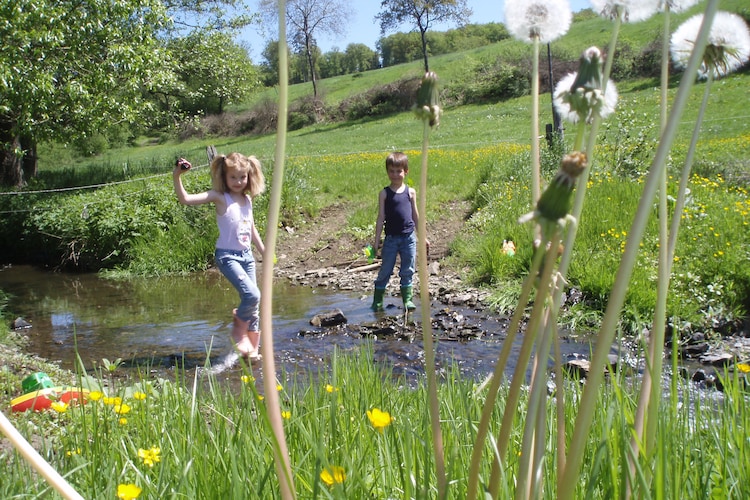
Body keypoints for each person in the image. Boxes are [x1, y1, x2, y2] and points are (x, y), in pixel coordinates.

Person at [173, 153, 266, 362]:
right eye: (233, 177)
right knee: (252, 295)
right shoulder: (219, 197)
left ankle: (251, 350)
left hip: (247, 257)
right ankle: (238, 333)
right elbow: (185, 200)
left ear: (249, 177)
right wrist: (177, 177)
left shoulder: (247, 199)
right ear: (224, 177)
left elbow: (251, 228)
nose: (238, 182)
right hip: (227, 257)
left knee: (253, 305)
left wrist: (263, 250)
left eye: (242, 177)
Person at [371, 152, 428, 311]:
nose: (395, 175)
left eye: (398, 171)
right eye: (391, 171)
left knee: (408, 269)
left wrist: (423, 236)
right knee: (385, 270)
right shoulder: (384, 194)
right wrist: (376, 242)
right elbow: (381, 217)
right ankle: (377, 301)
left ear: (406, 171)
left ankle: (407, 300)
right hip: (390, 239)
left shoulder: (411, 192)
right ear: (387, 172)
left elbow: (416, 216)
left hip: (408, 238)